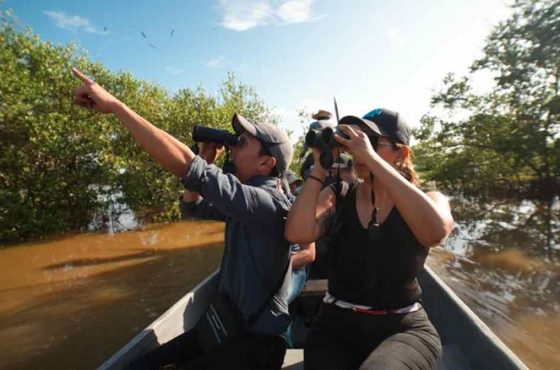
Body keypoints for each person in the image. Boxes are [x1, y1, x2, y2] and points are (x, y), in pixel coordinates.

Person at [71, 68, 294, 369]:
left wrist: (118, 108)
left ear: (266, 163)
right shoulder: (247, 199)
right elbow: (193, 208)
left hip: (256, 344)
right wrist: (206, 158)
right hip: (227, 325)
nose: (233, 145)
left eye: (241, 143)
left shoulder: (266, 203)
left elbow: (188, 169)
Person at [285, 108, 455, 370]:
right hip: (336, 325)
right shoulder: (338, 194)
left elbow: (435, 232)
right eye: (357, 141)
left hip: (403, 328)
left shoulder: (430, 200)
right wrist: (320, 167)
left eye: (372, 141)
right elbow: (297, 233)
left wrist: (373, 160)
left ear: (401, 153)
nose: (359, 150)